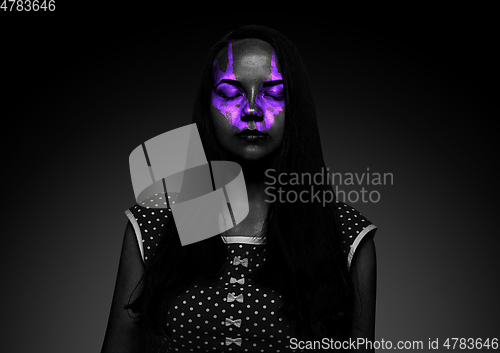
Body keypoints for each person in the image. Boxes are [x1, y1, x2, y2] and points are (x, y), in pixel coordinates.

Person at [101, 24, 377, 353]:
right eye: (231, 93)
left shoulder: (346, 236)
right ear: (207, 106)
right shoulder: (153, 223)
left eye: (273, 92)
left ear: (297, 107)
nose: (250, 110)